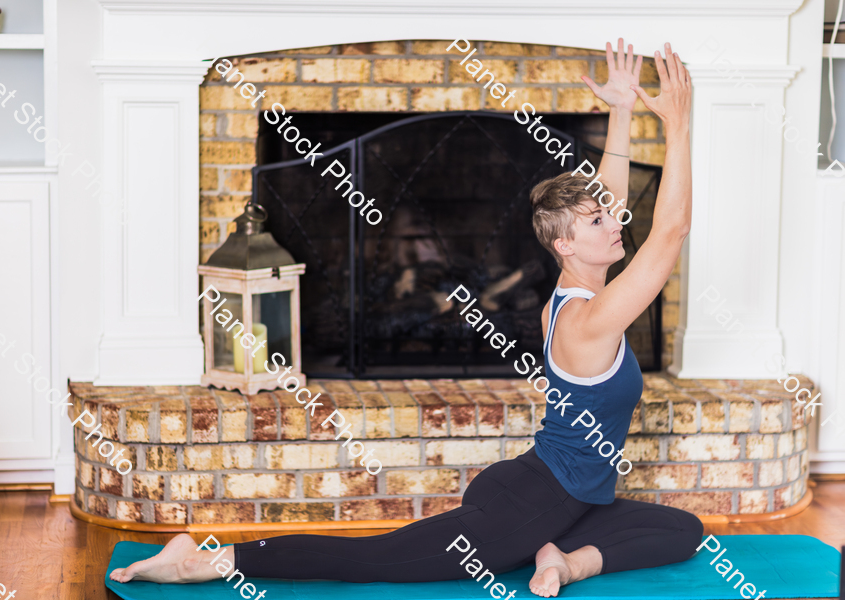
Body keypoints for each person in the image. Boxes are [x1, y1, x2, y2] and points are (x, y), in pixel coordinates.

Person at [110, 39, 702, 598]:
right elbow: (670, 230)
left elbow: (610, 200)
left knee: (684, 531)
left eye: (608, 214)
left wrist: (623, 111)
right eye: (598, 222)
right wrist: (677, 123)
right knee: (375, 560)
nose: (615, 220)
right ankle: (206, 558)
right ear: (566, 245)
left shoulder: (577, 292)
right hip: (530, 502)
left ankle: (565, 560)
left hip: (554, 492)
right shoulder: (589, 321)